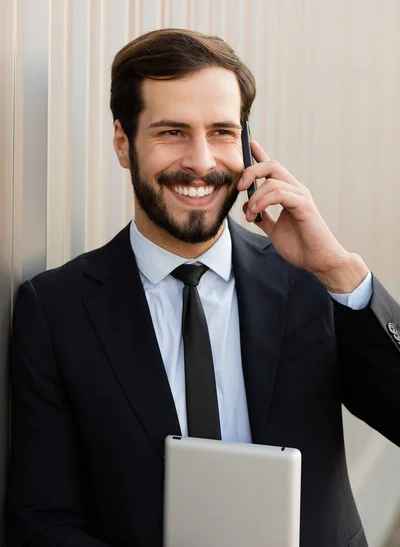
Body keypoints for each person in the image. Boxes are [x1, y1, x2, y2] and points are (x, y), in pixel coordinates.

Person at [7, 28, 400, 547]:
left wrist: (341, 272)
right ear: (124, 143)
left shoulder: (312, 282)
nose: (201, 161)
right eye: (172, 132)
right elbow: (43, 520)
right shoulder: (56, 311)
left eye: (220, 131)